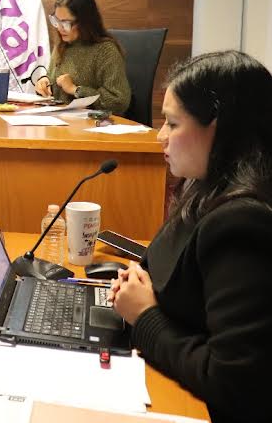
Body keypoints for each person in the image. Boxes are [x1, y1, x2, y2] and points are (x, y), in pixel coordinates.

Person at [108, 50, 272, 423]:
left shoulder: (243, 222)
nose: (160, 137)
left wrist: (144, 316)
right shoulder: (206, 186)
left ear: (218, 127)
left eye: (172, 123)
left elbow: (234, 384)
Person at [34, 0, 130, 115]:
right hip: (60, 119)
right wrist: (45, 83)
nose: (60, 28)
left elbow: (119, 101)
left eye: (65, 23)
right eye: (56, 21)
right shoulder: (62, 45)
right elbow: (53, 82)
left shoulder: (105, 51)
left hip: (93, 124)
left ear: (85, 22)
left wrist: (75, 90)